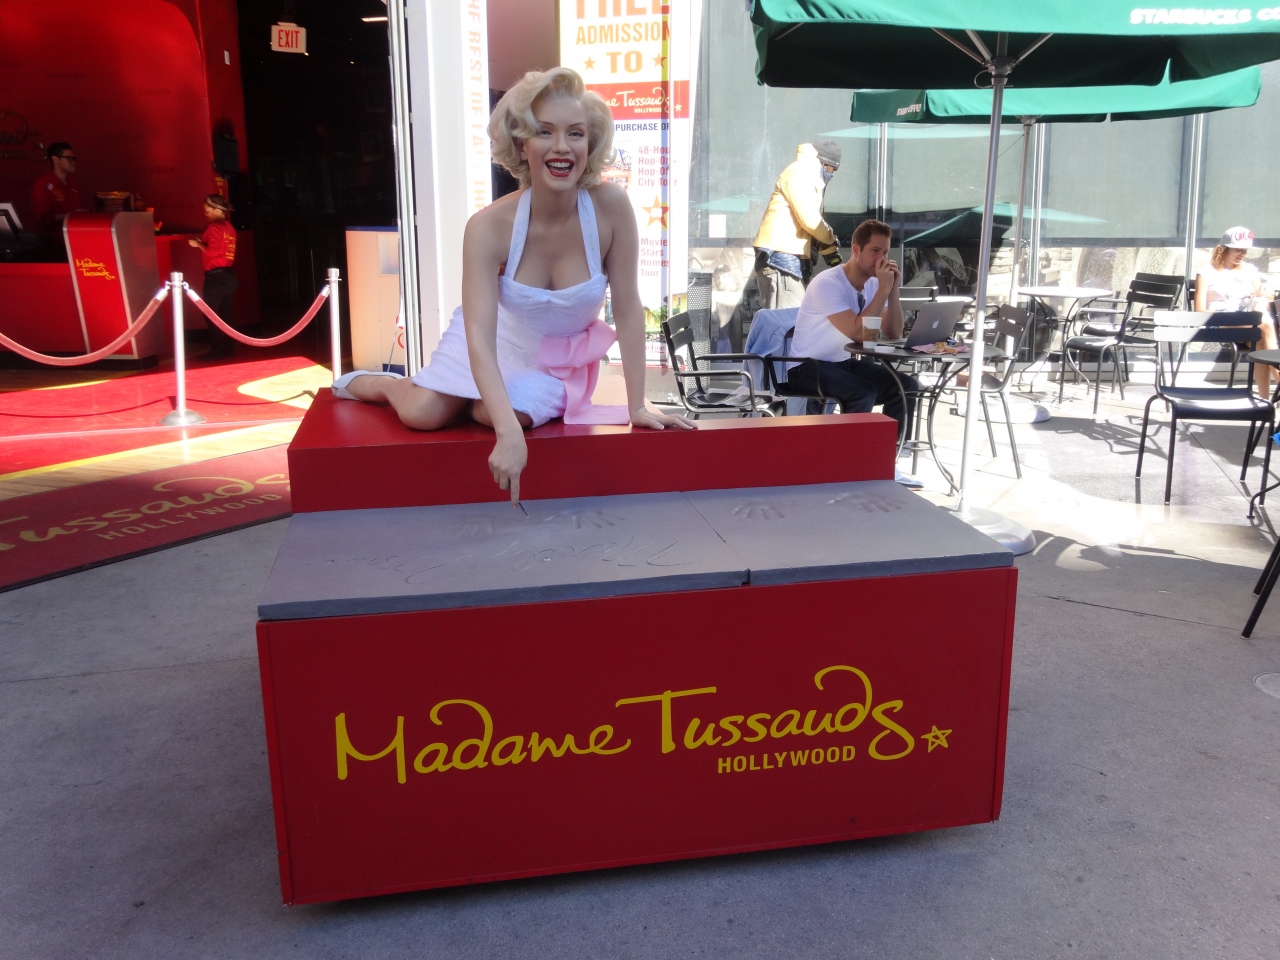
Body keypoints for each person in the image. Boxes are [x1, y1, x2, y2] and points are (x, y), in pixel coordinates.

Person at [331, 67, 692, 502]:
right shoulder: (488, 226)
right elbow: (479, 335)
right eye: (545, 132)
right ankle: (384, 384)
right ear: (522, 143)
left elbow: (630, 309)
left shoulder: (611, 208)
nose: (562, 147)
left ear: (590, 143)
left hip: (551, 366)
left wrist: (638, 405)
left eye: (575, 134)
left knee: (517, 411)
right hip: (490, 343)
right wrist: (505, 436)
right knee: (422, 413)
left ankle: (474, 401)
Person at [784, 218, 920, 487]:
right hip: (805, 367)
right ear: (856, 250)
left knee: (906, 386)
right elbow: (858, 333)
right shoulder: (828, 283)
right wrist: (883, 288)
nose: (881, 259)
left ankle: (886, 462)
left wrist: (892, 291)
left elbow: (893, 332)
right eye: (875, 251)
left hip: (842, 362)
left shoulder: (874, 284)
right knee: (862, 392)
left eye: (885, 252)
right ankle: (849, 466)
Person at [752, 140, 843, 310]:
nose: (831, 175)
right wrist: (830, 242)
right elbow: (810, 220)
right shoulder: (801, 173)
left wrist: (828, 250)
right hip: (781, 260)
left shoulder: (806, 174)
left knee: (793, 320)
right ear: (825, 163)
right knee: (788, 321)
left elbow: (808, 224)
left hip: (786, 261)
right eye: (832, 170)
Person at [1194, 226, 1276, 398]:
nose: (1242, 254)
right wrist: (1230, 317)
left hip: (1248, 323)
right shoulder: (1206, 273)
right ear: (1223, 249)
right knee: (1265, 324)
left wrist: (1267, 291)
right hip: (1220, 322)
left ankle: (1265, 400)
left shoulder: (1249, 271)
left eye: (1245, 251)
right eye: (1238, 250)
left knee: (1260, 344)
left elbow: (1264, 300)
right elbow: (1199, 310)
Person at [188, 194, 239, 359]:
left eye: (208, 210)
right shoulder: (230, 228)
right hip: (229, 276)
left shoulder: (214, 227)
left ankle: (217, 351)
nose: (205, 214)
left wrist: (198, 244)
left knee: (211, 315)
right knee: (226, 315)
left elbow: (213, 252)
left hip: (216, 278)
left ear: (217, 210)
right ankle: (229, 349)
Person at [30, 142, 85, 257]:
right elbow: (43, 219)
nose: (73, 162)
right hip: (54, 244)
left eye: (73, 158)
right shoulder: (43, 184)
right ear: (55, 159)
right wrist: (70, 216)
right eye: (69, 158)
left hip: (75, 239)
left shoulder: (72, 183)